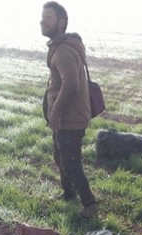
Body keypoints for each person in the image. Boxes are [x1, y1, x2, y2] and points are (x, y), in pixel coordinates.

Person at [41, 1, 97, 218]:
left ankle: (90, 204)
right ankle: (68, 193)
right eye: (42, 17)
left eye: (48, 17)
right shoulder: (61, 45)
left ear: (61, 23)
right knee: (60, 156)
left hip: (69, 118)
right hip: (67, 117)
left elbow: (71, 84)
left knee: (71, 162)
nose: (42, 21)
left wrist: (55, 112)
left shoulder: (63, 49)